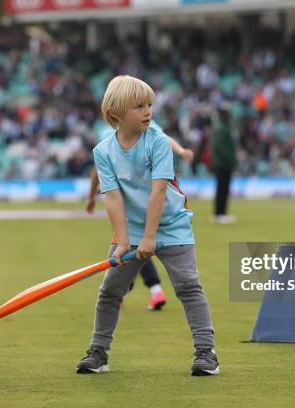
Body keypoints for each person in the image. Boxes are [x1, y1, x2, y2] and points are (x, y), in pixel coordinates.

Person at [76, 75, 218, 376]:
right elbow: (113, 199)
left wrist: (151, 237)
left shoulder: (157, 143)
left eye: (149, 105)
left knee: (189, 287)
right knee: (110, 291)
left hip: (171, 226)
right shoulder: (103, 151)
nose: (148, 112)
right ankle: (98, 353)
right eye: (139, 106)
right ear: (115, 112)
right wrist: (125, 241)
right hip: (133, 229)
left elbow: (159, 191)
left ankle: (206, 354)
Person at [86, 124, 194, 311]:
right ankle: (151, 290)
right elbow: (166, 139)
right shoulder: (124, 132)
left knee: (132, 249)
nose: (146, 112)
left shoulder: (113, 132)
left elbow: (98, 171)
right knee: (137, 250)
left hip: (134, 209)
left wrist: (90, 197)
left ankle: (125, 290)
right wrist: (182, 151)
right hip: (150, 205)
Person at [211, 102, 237, 224]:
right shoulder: (222, 128)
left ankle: (220, 213)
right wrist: (231, 159)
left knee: (223, 189)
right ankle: (220, 214)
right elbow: (220, 147)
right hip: (223, 164)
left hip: (223, 163)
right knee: (223, 189)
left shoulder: (223, 126)